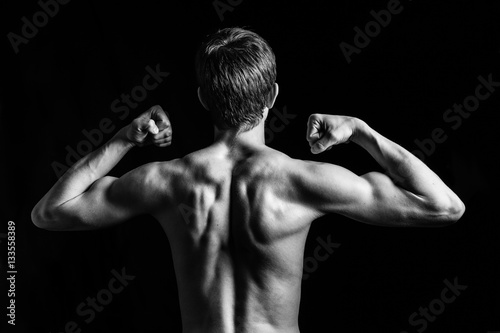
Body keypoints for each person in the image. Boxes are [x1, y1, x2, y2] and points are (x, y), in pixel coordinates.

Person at [32, 27, 465, 333]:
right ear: (273, 95)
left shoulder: (168, 181)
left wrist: (125, 137)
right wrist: (361, 131)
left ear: (202, 99)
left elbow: (49, 213)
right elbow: (444, 206)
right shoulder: (302, 181)